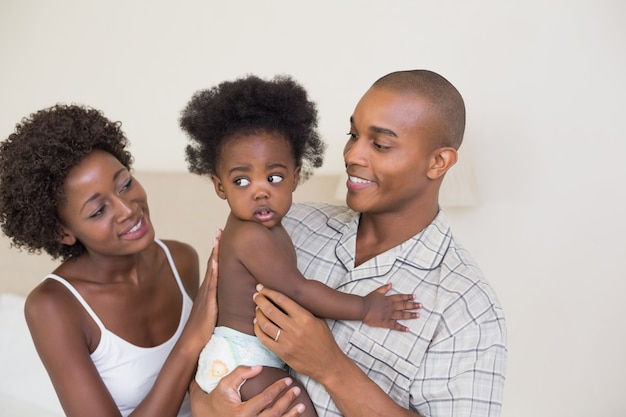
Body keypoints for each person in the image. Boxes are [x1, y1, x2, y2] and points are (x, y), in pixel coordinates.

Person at [193, 70, 508, 417]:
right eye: (353, 134)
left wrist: (332, 367)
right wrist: (208, 408)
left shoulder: (466, 308)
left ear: (438, 162)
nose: (352, 155)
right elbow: (202, 342)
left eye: (380, 144)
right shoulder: (284, 225)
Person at [178, 74, 422, 417]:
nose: (259, 190)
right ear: (220, 187)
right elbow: (300, 291)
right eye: (241, 180)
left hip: (250, 355)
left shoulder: (280, 224)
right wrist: (366, 308)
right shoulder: (249, 235)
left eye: (273, 177)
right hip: (241, 357)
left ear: (295, 176)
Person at [0, 104, 225, 417]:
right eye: (98, 211)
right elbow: (192, 347)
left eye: (125, 184)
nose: (127, 209)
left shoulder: (181, 259)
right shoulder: (53, 306)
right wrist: (190, 342)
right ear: (62, 232)